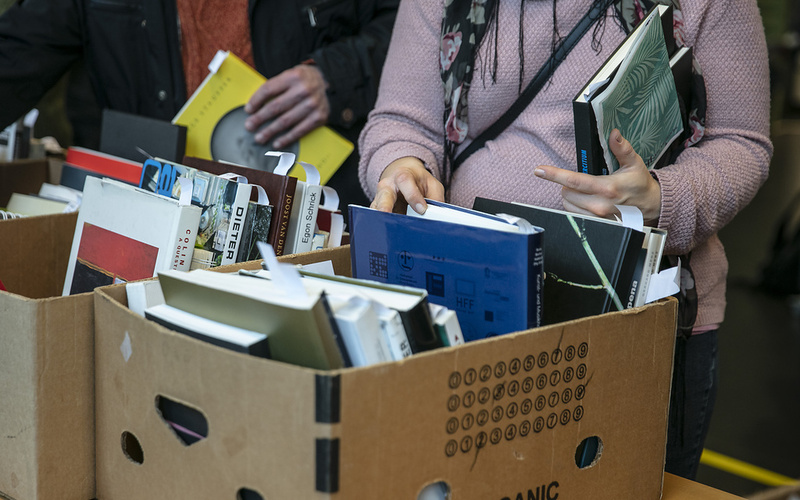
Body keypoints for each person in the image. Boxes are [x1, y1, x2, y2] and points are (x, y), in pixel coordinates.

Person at [358, 0, 772, 480]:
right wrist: (402, 162)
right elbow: (403, 121)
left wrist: (661, 197)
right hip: (468, 299)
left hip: (639, 316)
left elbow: (741, 143)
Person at [0, 0, 400, 209]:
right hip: (161, 214)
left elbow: (416, 25)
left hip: (315, 214)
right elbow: (18, 53)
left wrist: (336, 75)